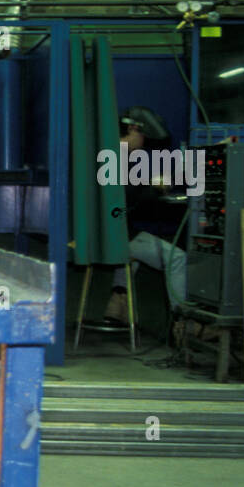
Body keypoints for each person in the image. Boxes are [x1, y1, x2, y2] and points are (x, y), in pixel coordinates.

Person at [104, 105, 188, 324]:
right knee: (178, 259)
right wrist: (154, 187)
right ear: (132, 130)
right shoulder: (116, 157)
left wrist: (150, 185)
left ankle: (117, 303)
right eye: (142, 135)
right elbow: (126, 197)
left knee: (134, 254)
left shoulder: (109, 153)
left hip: (103, 233)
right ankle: (184, 326)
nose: (144, 142)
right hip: (112, 235)